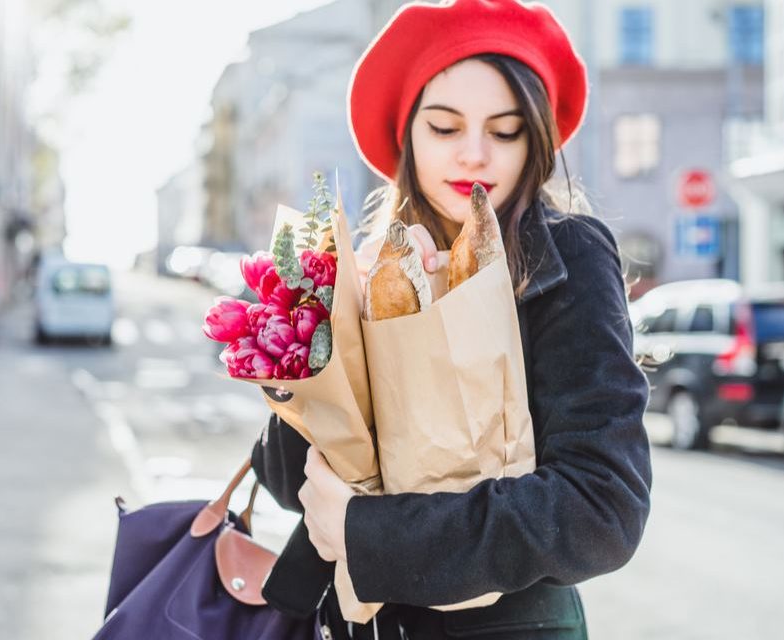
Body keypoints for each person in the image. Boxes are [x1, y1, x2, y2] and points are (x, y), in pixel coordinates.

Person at [251, 1, 653, 638]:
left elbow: (602, 506)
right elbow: (283, 482)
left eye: (505, 131)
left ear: (536, 139)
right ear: (407, 133)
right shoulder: (365, 263)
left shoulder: (567, 254)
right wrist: (316, 331)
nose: (474, 155)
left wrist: (371, 534)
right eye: (444, 127)